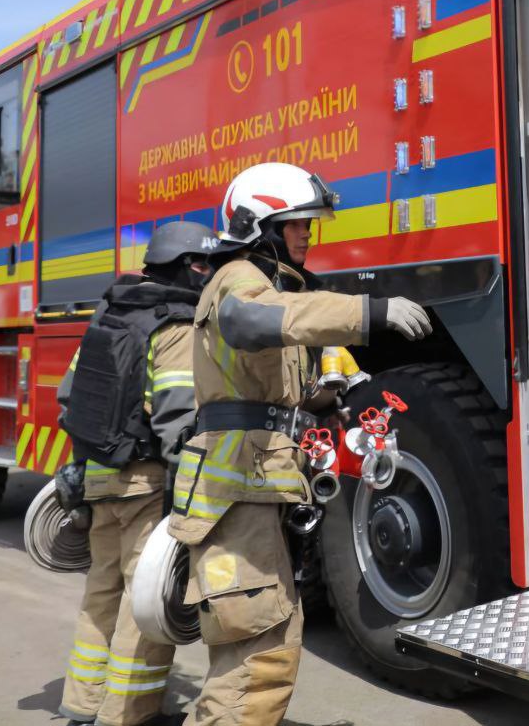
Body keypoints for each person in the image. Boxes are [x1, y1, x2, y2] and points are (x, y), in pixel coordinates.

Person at [168, 163, 432, 726]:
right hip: (235, 494)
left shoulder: (268, 286)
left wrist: (323, 402)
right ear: (262, 226)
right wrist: (369, 313)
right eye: (297, 225)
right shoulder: (239, 278)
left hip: (251, 491)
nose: (308, 236)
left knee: (261, 653)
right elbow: (247, 322)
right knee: (254, 663)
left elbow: (265, 383)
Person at [57, 220, 219, 726]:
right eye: (201, 265)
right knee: (143, 599)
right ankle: (129, 711)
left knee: (100, 590)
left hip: (99, 475)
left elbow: (70, 396)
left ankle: (81, 704)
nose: (207, 274)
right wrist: (192, 489)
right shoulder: (172, 325)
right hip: (146, 483)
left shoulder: (108, 313)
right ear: (179, 266)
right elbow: (176, 420)